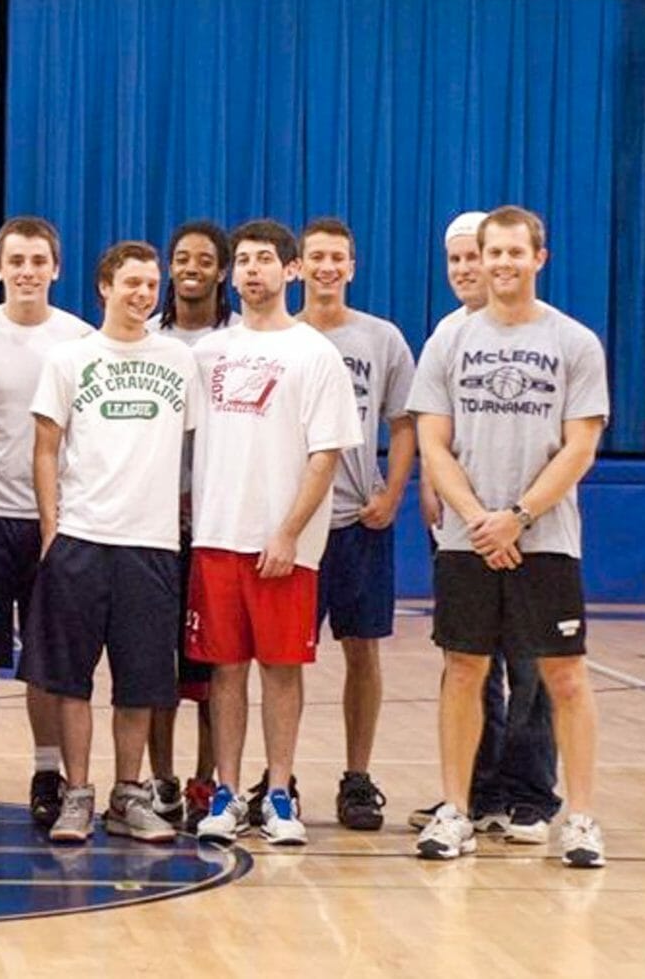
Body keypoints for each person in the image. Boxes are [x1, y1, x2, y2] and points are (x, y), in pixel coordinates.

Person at [408, 205, 608, 867]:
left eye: (515, 253)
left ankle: (578, 816)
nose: (501, 264)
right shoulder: (448, 341)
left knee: (566, 677)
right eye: (492, 253)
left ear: (538, 258)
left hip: (544, 539)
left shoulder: (575, 342)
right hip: (470, 541)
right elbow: (434, 442)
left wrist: (517, 516)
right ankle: (456, 809)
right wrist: (477, 519)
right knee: (462, 671)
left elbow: (580, 446)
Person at [188, 218, 361, 848]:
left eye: (264, 259)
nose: (251, 270)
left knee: (282, 669)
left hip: (284, 546)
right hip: (216, 538)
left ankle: (281, 792)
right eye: (243, 261)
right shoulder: (207, 353)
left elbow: (326, 456)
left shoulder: (314, 354)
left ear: (290, 271)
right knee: (225, 671)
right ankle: (228, 792)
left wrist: (288, 532)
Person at [20, 241, 198, 844]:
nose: (144, 294)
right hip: (82, 537)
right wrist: (51, 528)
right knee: (70, 680)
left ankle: (129, 795)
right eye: (132, 283)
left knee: (142, 681)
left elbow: (196, 448)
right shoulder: (70, 360)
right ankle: (77, 794)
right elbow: (45, 448)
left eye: (152, 284)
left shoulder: (178, 360)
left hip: (150, 545)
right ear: (105, 285)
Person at [0, 217, 92, 829]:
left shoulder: (82, 341)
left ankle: (45, 771)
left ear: (56, 269)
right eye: (17, 260)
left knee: (46, 659)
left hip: (52, 521)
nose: (28, 271)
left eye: (39, 260)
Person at [296, 217, 416, 831]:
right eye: (315, 256)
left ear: (352, 266)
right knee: (281, 659)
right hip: (295, 524)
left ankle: (357, 776)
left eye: (336, 257)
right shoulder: (278, 337)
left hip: (359, 521)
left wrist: (393, 492)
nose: (326, 267)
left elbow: (404, 423)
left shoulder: (382, 339)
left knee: (362, 651)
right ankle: (279, 775)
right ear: (297, 267)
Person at [145, 220, 232, 829]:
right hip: (152, 528)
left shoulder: (239, 342)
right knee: (154, 664)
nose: (191, 267)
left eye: (204, 258)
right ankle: (162, 781)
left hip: (218, 526)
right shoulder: (147, 339)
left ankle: (208, 780)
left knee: (213, 662)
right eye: (181, 257)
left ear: (221, 270)